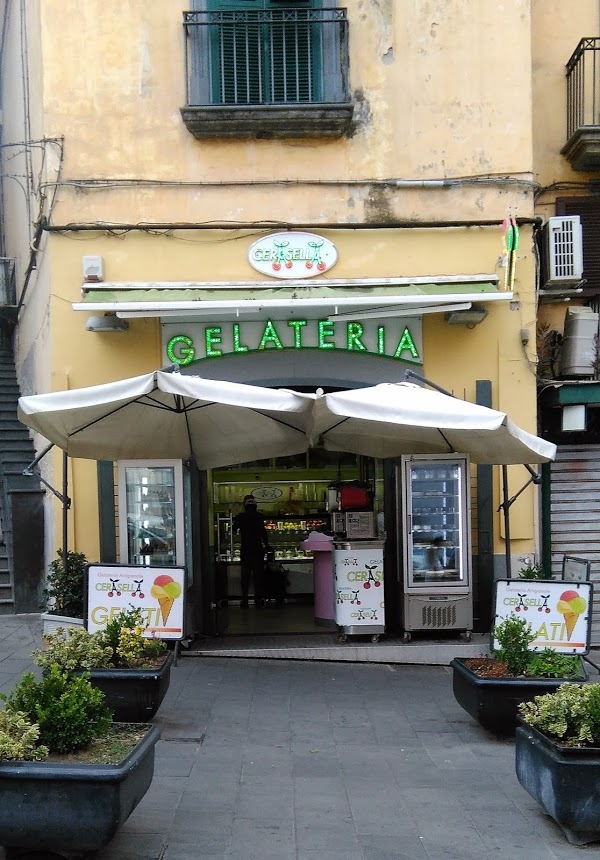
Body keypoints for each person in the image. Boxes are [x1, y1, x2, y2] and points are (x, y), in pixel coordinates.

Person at [232, 494, 270, 608]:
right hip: (258, 550)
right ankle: (258, 599)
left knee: (245, 576)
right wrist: (267, 545)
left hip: (245, 550)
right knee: (258, 576)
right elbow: (264, 533)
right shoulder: (259, 516)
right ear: (255, 506)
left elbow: (233, 530)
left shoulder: (240, 517)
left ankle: (244, 600)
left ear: (245, 506)